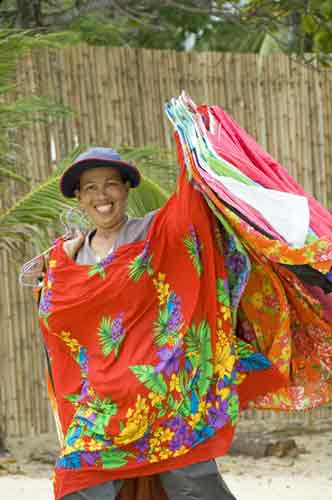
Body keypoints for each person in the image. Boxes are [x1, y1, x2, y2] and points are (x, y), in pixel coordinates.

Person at [39, 147, 247, 500]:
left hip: (164, 389)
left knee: (191, 481)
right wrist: (60, 266)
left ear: (126, 190)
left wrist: (193, 143)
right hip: (103, 402)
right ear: (78, 197)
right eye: (90, 188)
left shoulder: (152, 232)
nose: (101, 196)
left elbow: (193, 207)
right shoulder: (70, 256)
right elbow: (57, 320)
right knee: (77, 478)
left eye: (110, 185)